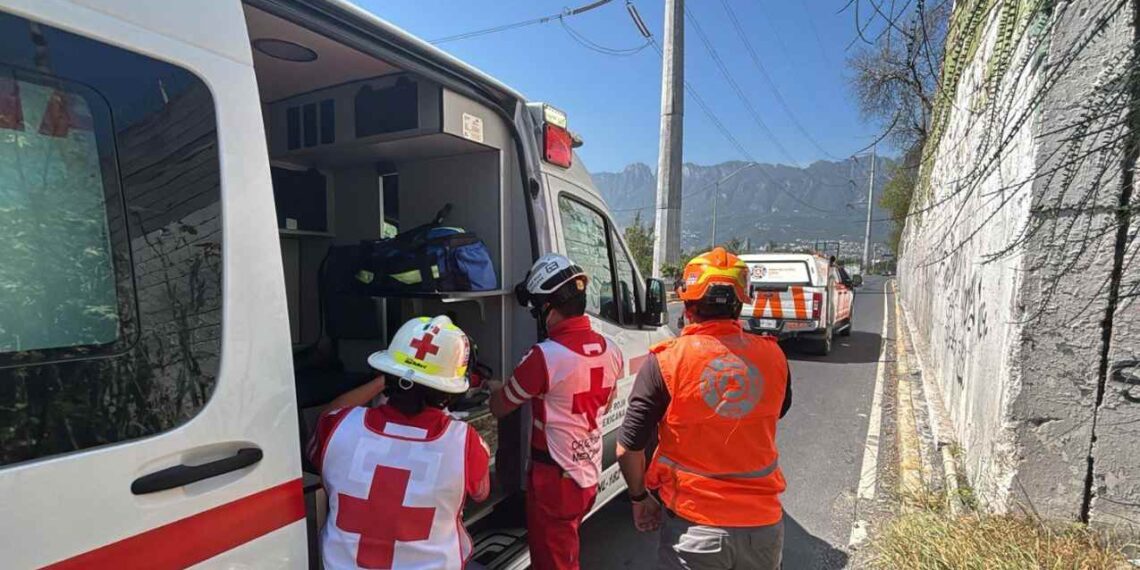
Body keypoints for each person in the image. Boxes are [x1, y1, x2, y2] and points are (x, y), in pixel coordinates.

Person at [616, 247, 793, 570]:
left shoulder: (666, 362)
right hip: (764, 531)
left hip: (694, 530)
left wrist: (640, 498)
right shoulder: (775, 357)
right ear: (740, 304)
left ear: (687, 304)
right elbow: (775, 410)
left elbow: (628, 449)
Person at [306, 315, 491, 570]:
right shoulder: (465, 444)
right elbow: (480, 492)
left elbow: (327, 415)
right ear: (450, 390)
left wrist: (395, 374)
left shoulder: (337, 426)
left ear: (387, 374)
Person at [488, 253, 624, 570]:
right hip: (586, 471)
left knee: (555, 562)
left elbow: (500, 407)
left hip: (554, 482)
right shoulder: (611, 350)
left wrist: (497, 388)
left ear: (548, 308)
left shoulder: (544, 357)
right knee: (565, 550)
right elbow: (605, 399)